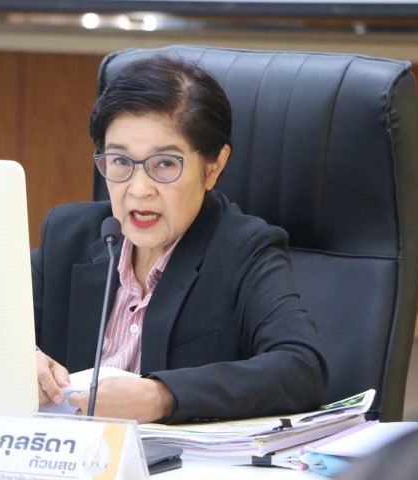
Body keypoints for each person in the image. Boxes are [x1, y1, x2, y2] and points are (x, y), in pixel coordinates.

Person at [32, 55, 327, 425]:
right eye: (120, 162)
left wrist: (163, 396)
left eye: (165, 164)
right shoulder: (67, 235)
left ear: (213, 166)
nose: (139, 189)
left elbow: (301, 368)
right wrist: (23, 358)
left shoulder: (245, 250)